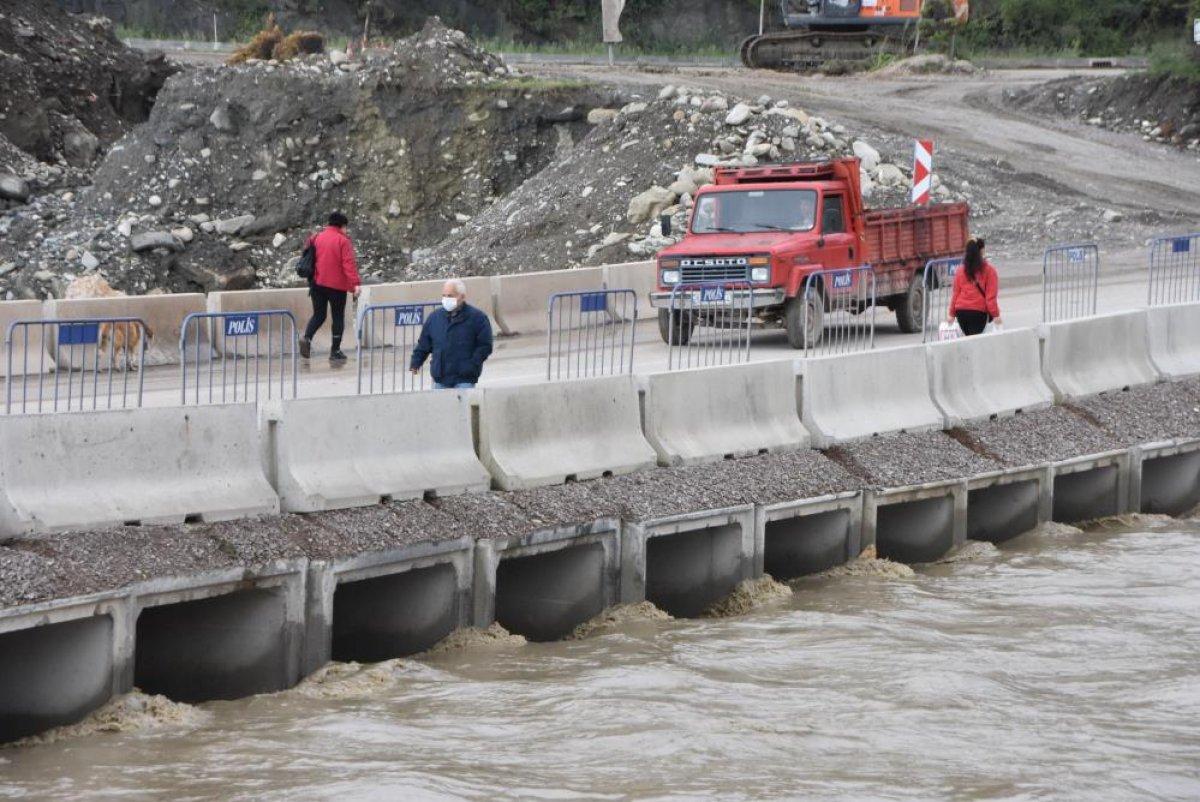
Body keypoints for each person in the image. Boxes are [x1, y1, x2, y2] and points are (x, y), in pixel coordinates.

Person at [410, 278, 493, 389]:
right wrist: (416, 362)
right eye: (444, 296)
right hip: (441, 377)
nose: (446, 299)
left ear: (462, 297)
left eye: (450, 296)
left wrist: (472, 364)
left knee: (463, 405)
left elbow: (485, 345)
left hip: (464, 378)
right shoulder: (435, 318)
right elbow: (424, 344)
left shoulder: (477, 318)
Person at [300, 211, 361, 363]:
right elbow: (348, 265)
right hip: (337, 287)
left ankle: (306, 337)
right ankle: (335, 351)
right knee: (338, 317)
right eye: (346, 227)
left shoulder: (316, 237)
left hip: (317, 284)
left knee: (319, 315)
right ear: (342, 226)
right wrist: (355, 285)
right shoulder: (343, 240)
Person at [947, 237, 1002, 336]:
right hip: (978, 312)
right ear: (982, 251)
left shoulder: (960, 270)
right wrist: (996, 315)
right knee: (975, 342)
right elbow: (990, 298)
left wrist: (951, 314)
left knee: (969, 340)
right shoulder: (989, 271)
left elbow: (955, 294)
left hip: (961, 312)